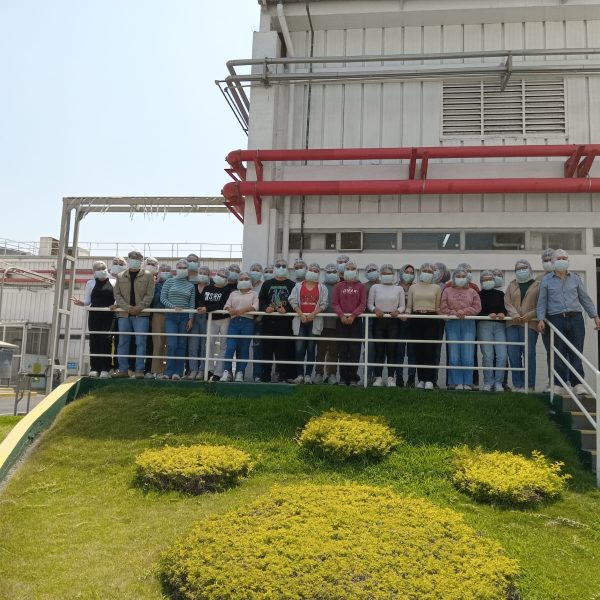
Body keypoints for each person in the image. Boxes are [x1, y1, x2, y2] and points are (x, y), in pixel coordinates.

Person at [537, 249, 600, 396]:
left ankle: (577, 383)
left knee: (576, 351)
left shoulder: (575, 278)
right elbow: (542, 302)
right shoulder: (546, 280)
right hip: (556, 318)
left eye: (565, 258)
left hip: (576, 318)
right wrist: (540, 319)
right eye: (559, 258)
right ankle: (559, 384)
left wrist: (595, 316)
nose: (562, 260)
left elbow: (585, 299)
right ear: (553, 261)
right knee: (558, 352)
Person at [111, 250, 155, 378]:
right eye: (131, 258)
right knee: (122, 342)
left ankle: (139, 370)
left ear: (141, 261)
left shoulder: (148, 276)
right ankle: (123, 370)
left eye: (137, 258)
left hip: (141, 315)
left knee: (141, 342)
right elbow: (117, 295)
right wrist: (128, 307)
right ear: (128, 259)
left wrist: (139, 307)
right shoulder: (120, 276)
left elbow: (149, 295)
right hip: (124, 315)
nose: (134, 260)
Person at [72, 260, 115, 378]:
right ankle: (95, 368)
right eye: (98, 269)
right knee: (94, 340)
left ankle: (106, 368)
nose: (101, 271)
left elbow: (117, 298)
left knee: (105, 340)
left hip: (108, 315)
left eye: (103, 268)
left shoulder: (113, 281)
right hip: (94, 314)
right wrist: (81, 303)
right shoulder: (90, 283)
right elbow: (88, 301)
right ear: (94, 272)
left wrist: (115, 305)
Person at [441, 267, 482, 390]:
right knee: (454, 353)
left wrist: (465, 311)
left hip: (468, 323)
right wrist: (454, 312)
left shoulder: (472, 291)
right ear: (453, 278)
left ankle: (468, 381)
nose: (460, 279)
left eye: (463, 276)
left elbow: (477, 307)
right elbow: (443, 307)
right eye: (457, 276)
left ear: (467, 278)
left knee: (468, 353)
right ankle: (455, 381)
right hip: (452, 323)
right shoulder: (447, 290)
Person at [504, 260, 540, 392]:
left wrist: (530, 315)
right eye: (518, 268)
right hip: (512, 324)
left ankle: (529, 385)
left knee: (529, 354)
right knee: (513, 354)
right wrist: (514, 314)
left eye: (524, 268)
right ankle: (517, 385)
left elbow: (541, 304)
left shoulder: (537, 285)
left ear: (530, 269)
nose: (521, 270)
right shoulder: (511, 285)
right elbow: (507, 302)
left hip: (530, 324)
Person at [289, 263, 328, 384]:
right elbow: (292, 300)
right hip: (300, 320)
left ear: (319, 274)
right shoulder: (297, 286)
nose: (313, 272)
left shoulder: (322, 288)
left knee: (311, 349)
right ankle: (299, 375)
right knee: (299, 348)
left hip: (314, 321)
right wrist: (301, 314)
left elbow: (324, 304)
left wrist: (313, 314)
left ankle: (307, 376)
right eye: (311, 270)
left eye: (316, 271)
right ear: (307, 271)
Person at [405, 262, 442, 390]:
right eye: (425, 271)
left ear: (434, 274)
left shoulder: (436, 288)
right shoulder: (413, 287)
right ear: (420, 272)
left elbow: (438, 307)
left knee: (430, 350)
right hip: (416, 318)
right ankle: (421, 379)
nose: (427, 273)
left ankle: (430, 380)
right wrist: (406, 314)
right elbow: (409, 306)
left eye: (430, 271)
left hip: (431, 318)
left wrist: (444, 315)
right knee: (418, 349)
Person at [258, 259, 296, 383]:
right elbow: (261, 299)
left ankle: (283, 376)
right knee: (267, 351)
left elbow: (295, 301)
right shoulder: (267, 283)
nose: (281, 268)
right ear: (274, 268)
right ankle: (265, 376)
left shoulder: (292, 284)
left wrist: (287, 309)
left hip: (285, 324)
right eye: (278, 265)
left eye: (283, 266)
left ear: (287, 268)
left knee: (284, 351)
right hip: (268, 323)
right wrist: (265, 308)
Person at [368, 263, 405, 387]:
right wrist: (375, 310)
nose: (387, 276)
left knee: (391, 349)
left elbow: (402, 305)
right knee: (379, 350)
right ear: (380, 274)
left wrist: (398, 311)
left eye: (389, 274)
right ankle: (378, 377)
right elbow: (369, 304)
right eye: (384, 273)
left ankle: (390, 378)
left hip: (393, 321)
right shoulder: (375, 287)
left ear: (393, 275)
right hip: (379, 320)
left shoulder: (398, 288)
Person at [159, 259, 195, 380]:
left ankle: (177, 373)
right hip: (170, 316)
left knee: (181, 344)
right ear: (175, 269)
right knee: (172, 344)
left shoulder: (190, 286)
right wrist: (173, 307)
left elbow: (191, 304)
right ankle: (168, 372)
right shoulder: (168, 282)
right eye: (179, 267)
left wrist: (190, 318)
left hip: (185, 317)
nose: (181, 269)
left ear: (188, 270)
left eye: (184, 268)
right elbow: (163, 298)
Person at [332, 259, 366, 386]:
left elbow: (363, 304)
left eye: (353, 269)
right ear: (344, 271)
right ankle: (343, 377)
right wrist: (341, 315)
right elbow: (335, 303)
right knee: (342, 349)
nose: (350, 271)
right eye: (348, 269)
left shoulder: (361, 286)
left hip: (355, 321)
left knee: (354, 350)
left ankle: (352, 378)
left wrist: (353, 315)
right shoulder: (338, 286)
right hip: (341, 321)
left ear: (357, 271)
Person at [221, 272, 259, 382]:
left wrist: (241, 311)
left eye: (246, 279)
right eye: (241, 279)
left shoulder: (254, 294)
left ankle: (240, 372)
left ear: (250, 281)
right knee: (230, 347)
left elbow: (255, 307)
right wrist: (230, 310)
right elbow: (226, 306)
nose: (244, 281)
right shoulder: (233, 294)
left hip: (248, 322)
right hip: (234, 322)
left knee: (244, 349)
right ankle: (227, 372)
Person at [197, 267, 233, 381]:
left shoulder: (227, 291)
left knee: (223, 346)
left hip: (224, 319)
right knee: (210, 344)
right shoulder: (208, 288)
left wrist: (206, 308)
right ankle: (209, 370)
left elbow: (221, 305)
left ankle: (218, 372)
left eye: (224, 276)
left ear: (227, 279)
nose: (221, 277)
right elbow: (201, 300)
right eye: (219, 274)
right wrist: (203, 307)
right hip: (210, 320)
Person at [477, 270, 507, 392]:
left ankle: (499, 383)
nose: (488, 282)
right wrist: (487, 315)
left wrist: (502, 313)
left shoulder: (500, 294)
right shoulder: (478, 294)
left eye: (490, 279)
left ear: (494, 281)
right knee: (488, 356)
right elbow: (477, 310)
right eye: (485, 280)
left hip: (500, 326)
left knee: (502, 355)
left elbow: (505, 309)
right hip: (484, 325)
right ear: (481, 282)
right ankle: (488, 383)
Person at [314, 263, 340, 385]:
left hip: (337, 324)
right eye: (328, 272)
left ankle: (332, 374)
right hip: (322, 324)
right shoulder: (320, 287)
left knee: (334, 352)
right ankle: (318, 373)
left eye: (334, 272)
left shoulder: (341, 286)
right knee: (320, 351)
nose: (331, 274)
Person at [187, 265, 211, 380]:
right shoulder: (192, 287)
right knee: (193, 345)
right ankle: (193, 370)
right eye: (200, 272)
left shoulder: (212, 288)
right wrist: (190, 318)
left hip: (207, 318)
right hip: (194, 318)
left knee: (204, 346)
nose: (202, 274)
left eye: (205, 273)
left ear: (209, 275)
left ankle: (202, 370)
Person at [149, 262, 172, 378]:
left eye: (168, 270)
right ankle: (157, 370)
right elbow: (152, 300)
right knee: (158, 343)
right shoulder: (154, 285)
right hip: (157, 314)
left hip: (171, 315)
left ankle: (167, 370)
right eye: (163, 270)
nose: (165, 272)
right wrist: (155, 284)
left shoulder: (173, 283)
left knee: (169, 344)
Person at [396, 264, 416, 387]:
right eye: (407, 271)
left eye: (411, 272)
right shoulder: (395, 287)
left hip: (413, 322)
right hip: (398, 322)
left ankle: (411, 378)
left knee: (412, 351)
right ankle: (399, 378)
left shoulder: (416, 287)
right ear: (401, 272)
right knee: (399, 351)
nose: (409, 274)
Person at [363, 263, 380, 383]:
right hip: (368, 319)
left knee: (380, 348)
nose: (372, 271)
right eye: (369, 270)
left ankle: (377, 376)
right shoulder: (363, 286)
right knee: (370, 348)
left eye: (374, 269)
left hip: (382, 320)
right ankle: (367, 376)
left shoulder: (384, 284)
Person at [248, 263, 265, 382]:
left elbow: (264, 302)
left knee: (258, 349)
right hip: (244, 319)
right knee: (241, 347)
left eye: (257, 270)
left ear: (261, 272)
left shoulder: (264, 285)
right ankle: (238, 373)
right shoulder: (245, 284)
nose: (255, 272)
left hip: (259, 321)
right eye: (253, 270)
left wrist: (259, 317)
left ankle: (257, 375)